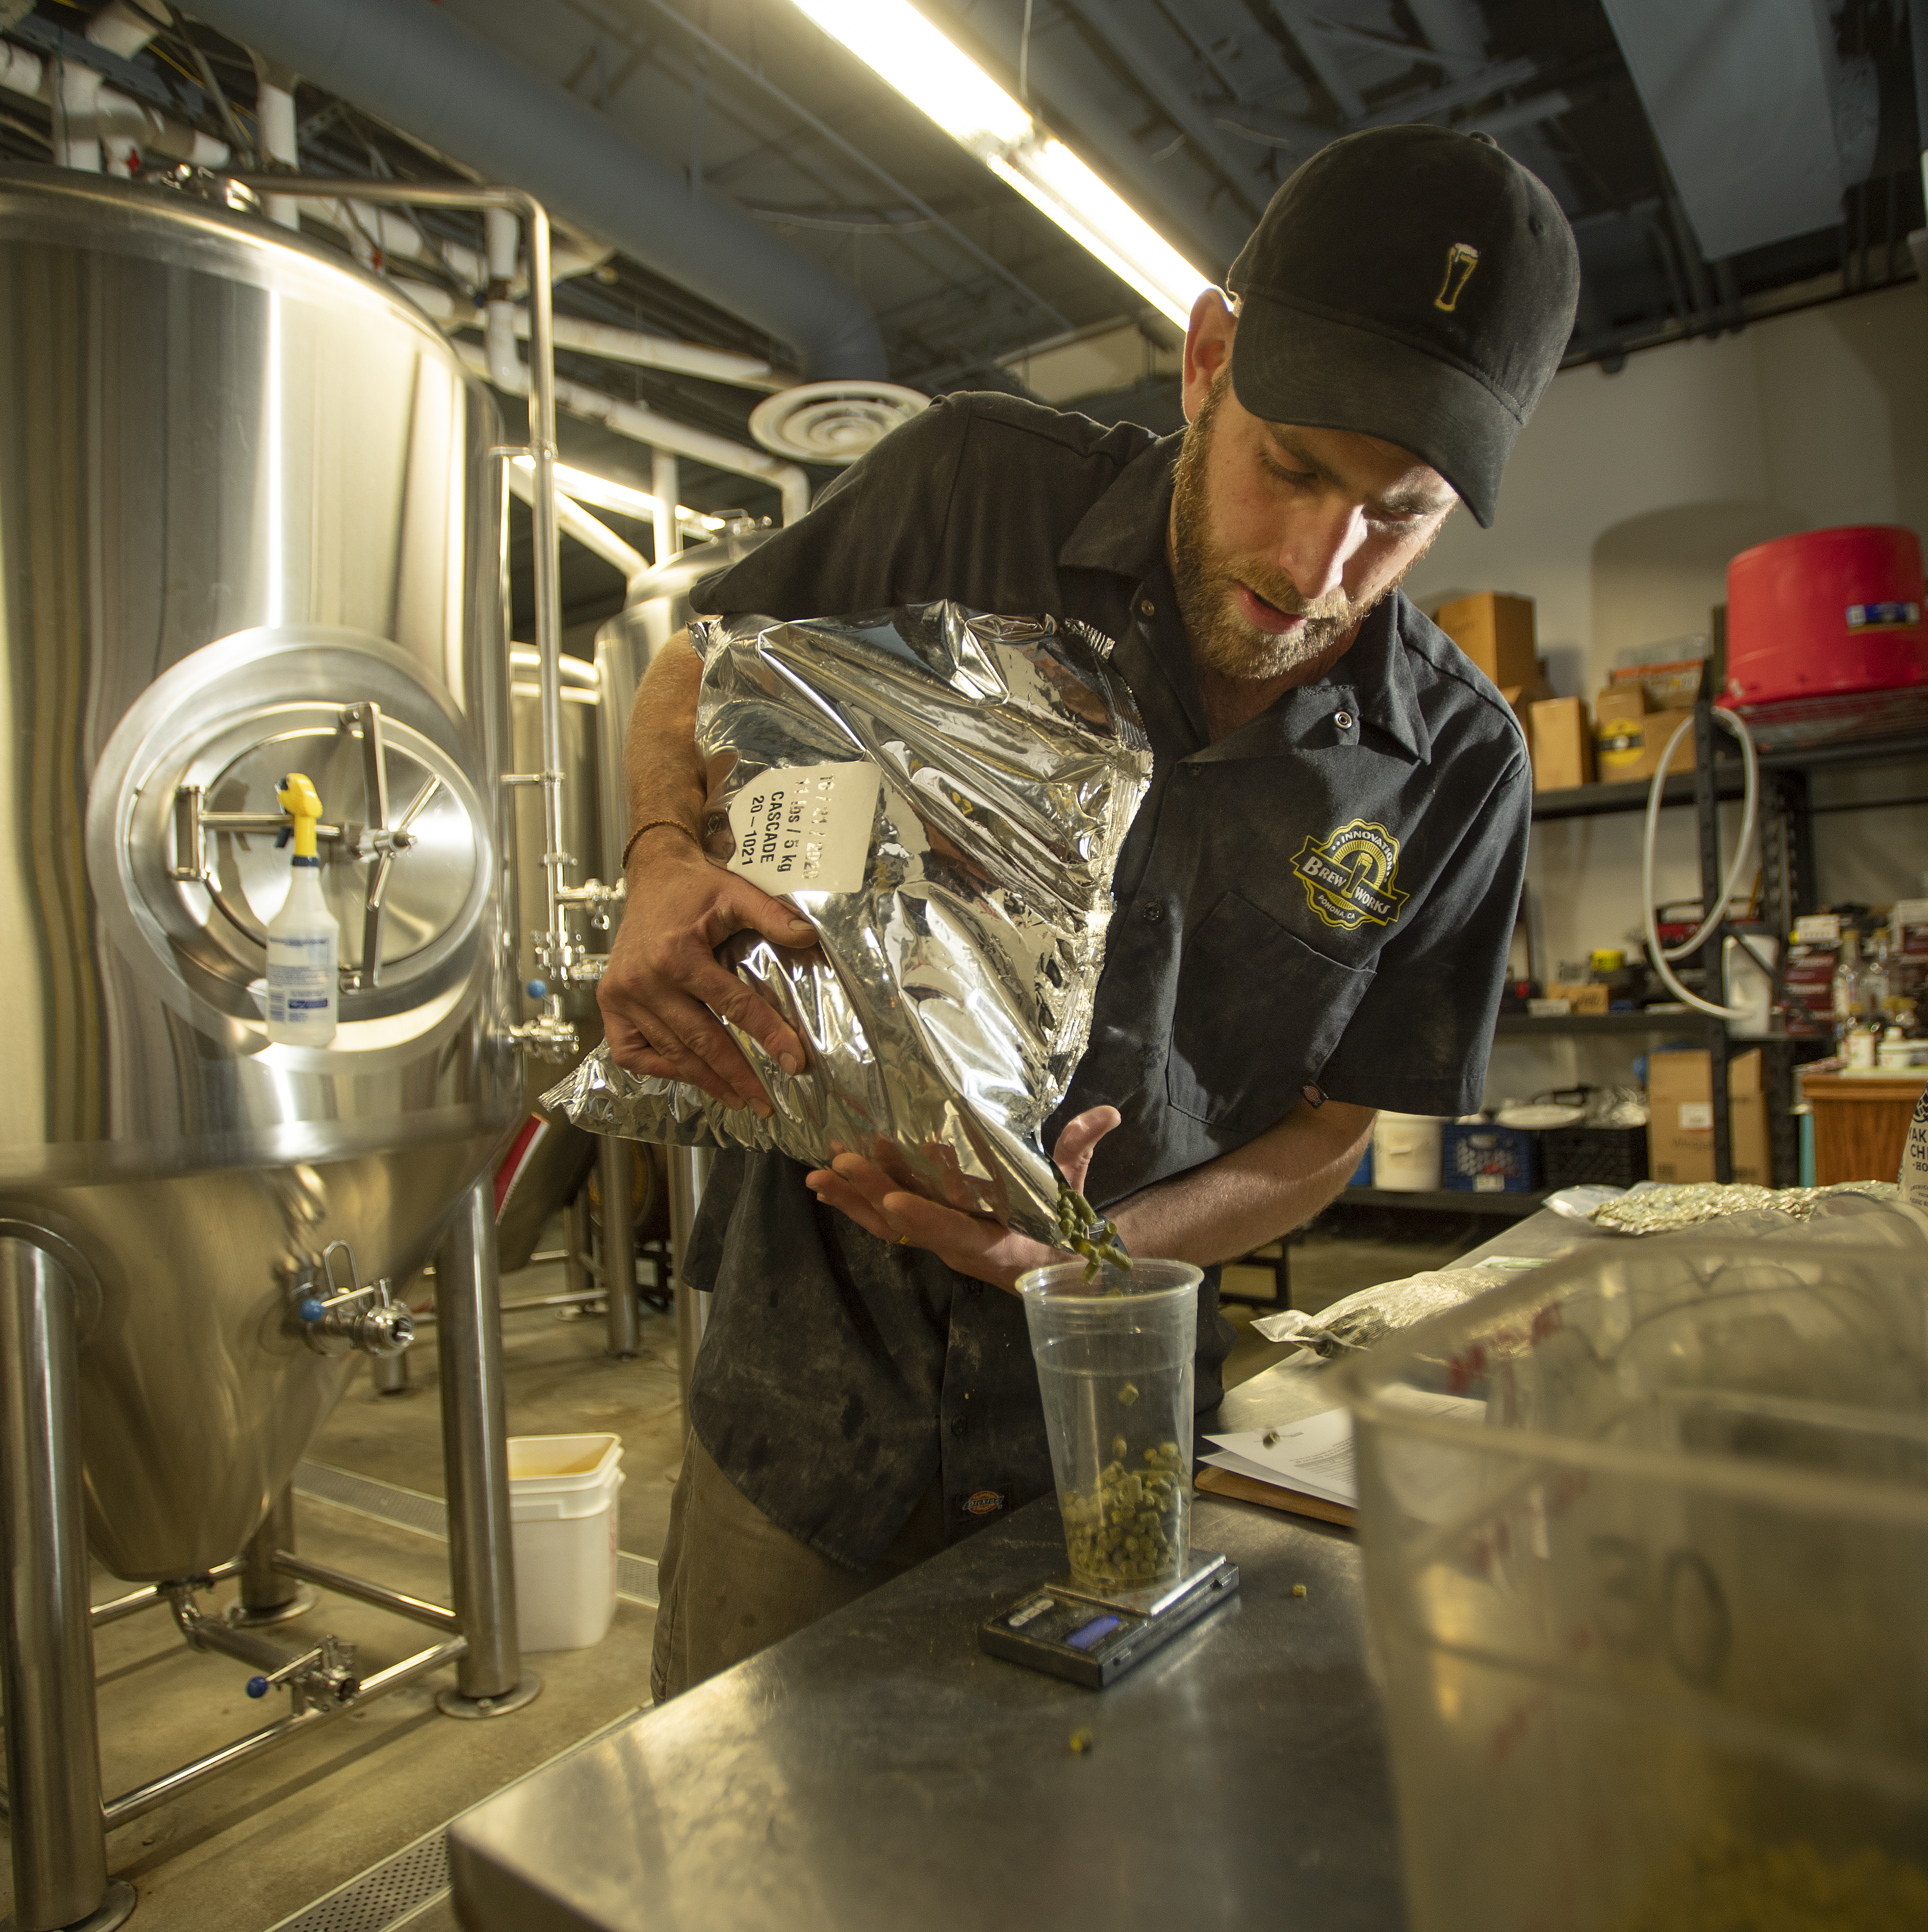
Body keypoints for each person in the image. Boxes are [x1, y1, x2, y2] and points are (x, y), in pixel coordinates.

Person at [599, 125, 1580, 1698]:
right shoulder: (969, 493)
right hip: (811, 1423)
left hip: (1111, 1450)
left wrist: (1100, 1259)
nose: (1316, 566)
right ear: (1207, 363)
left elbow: (1338, 1128)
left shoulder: (1456, 766)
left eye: (1395, 514)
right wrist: (663, 849)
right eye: (1294, 467)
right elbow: (696, 658)